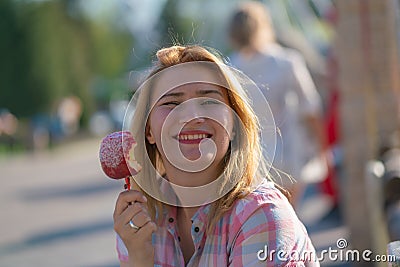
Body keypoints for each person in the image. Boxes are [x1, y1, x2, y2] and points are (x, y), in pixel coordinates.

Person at [113, 45, 319, 266]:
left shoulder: (261, 216)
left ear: (234, 124)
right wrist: (138, 258)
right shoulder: (140, 221)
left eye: (208, 101)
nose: (192, 116)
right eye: (171, 103)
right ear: (148, 131)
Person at [228, 1, 329, 210]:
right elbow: (310, 109)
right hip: (288, 153)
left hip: (251, 159)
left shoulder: (230, 67)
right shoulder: (286, 61)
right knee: (288, 214)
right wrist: (322, 148)